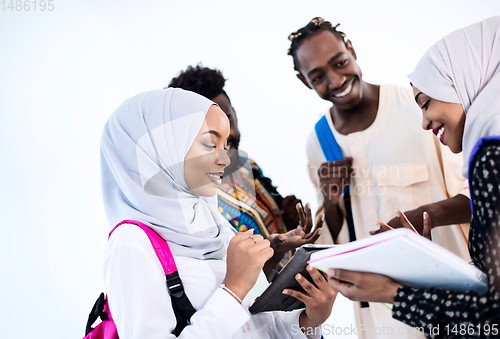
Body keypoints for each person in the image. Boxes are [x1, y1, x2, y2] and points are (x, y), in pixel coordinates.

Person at [287, 17, 472, 338]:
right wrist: (331, 203)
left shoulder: (417, 108)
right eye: (317, 76)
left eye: (340, 62)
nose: (335, 80)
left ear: (352, 49)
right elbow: (335, 247)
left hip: (449, 292)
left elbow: (475, 197)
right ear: (305, 81)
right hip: (382, 315)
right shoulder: (319, 141)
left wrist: (416, 219)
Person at [100, 88, 336, 338]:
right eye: (209, 144)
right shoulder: (130, 243)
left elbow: (264, 325)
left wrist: (309, 319)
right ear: (163, 147)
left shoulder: (216, 225)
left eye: (224, 145)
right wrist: (233, 289)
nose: (224, 159)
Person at [327, 16, 500, 338]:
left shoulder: (491, 158)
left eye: (425, 102)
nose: (423, 122)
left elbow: (491, 318)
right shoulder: (320, 140)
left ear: (464, 80)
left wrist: (392, 294)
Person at [168, 65, 311, 275]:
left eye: (229, 120)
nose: (230, 134)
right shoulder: (190, 195)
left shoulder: (246, 165)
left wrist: (286, 217)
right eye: (211, 132)